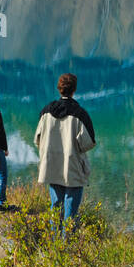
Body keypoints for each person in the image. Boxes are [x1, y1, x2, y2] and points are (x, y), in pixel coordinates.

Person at [34, 73, 96, 232]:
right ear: (74, 90)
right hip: (72, 167)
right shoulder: (80, 113)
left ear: (59, 89)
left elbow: (37, 139)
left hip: (51, 166)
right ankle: (68, 248)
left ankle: (56, 246)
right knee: (71, 212)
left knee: (55, 207)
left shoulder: (46, 111)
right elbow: (88, 143)